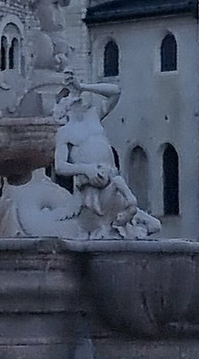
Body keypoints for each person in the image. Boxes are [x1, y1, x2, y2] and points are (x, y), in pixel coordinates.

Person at [53, 75, 160, 238]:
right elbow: (59, 166)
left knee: (155, 225)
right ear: (63, 108)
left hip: (111, 179)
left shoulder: (94, 117)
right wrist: (86, 169)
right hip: (93, 188)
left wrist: (83, 86)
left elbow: (115, 92)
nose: (77, 99)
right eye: (68, 98)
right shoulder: (65, 132)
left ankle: (127, 220)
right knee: (118, 185)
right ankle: (124, 214)